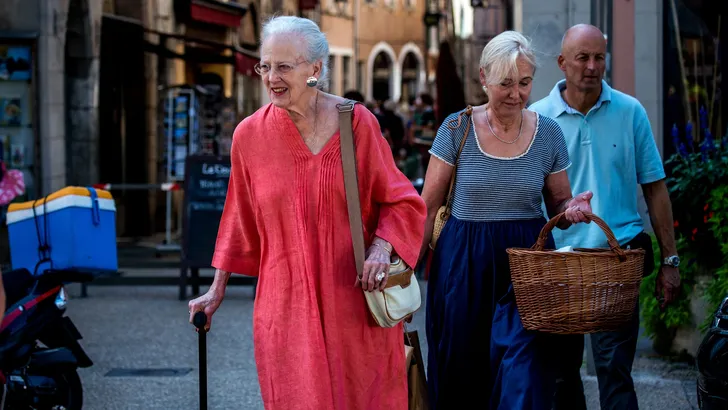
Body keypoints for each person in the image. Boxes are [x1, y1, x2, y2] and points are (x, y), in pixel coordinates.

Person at [187, 16, 427, 410]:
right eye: (265, 66)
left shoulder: (357, 124)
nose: (271, 77)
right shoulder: (248, 137)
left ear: (315, 69)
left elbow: (402, 201)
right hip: (286, 308)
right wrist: (216, 290)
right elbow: (238, 219)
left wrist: (382, 248)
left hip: (354, 302)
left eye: (283, 66)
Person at [419, 30, 594, 410]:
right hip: (463, 269)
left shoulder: (548, 133)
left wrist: (572, 209)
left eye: (525, 82)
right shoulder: (456, 128)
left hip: (527, 271)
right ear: (483, 78)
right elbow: (427, 206)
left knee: (524, 376)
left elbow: (559, 204)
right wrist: (404, 275)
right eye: (506, 83)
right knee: (462, 372)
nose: (516, 93)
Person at [528, 24, 681, 410]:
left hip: (617, 262)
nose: (592, 66)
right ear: (563, 63)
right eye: (582, 57)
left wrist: (670, 261)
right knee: (561, 378)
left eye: (599, 57)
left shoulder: (631, 111)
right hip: (560, 267)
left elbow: (655, 188)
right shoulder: (537, 118)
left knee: (615, 373)